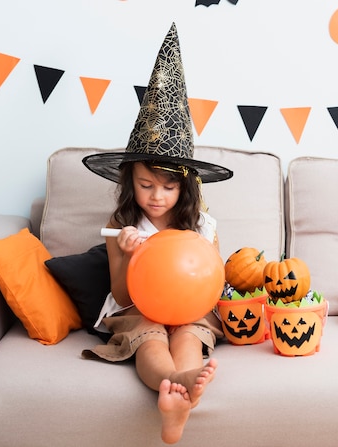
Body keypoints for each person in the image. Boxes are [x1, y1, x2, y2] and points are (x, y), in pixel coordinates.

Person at [81, 23, 233, 444]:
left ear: (185, 187)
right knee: (148, 334)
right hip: (139, 307)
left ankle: (181, 385)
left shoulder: (203, 225)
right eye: (146, 185)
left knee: (187, 331)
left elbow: (212, 283)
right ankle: (173, 385)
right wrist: (128, 255)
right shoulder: (120, 226)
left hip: (189, 307)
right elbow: (123, 295)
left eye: (168, 187)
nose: (156, 197)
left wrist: (201, 258)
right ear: (130, 181)